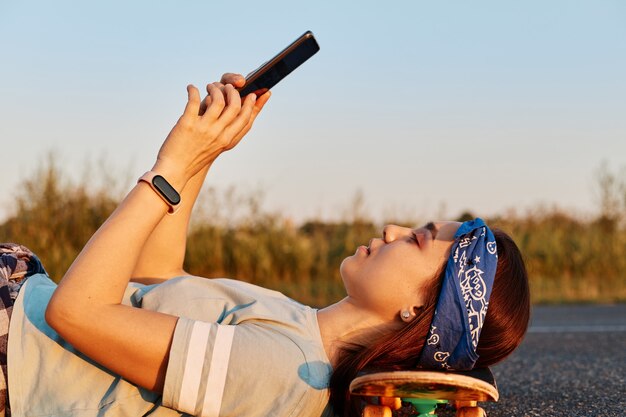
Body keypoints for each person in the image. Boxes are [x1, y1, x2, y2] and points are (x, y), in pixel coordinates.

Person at [2, 73, 530, 417]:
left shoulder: (283, 370)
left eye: (415, 240)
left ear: (420, 310)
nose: (392, 231)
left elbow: (79, 312)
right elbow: (156, 277)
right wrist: (207, 149)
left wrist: (170, 168)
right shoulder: (297, 325)